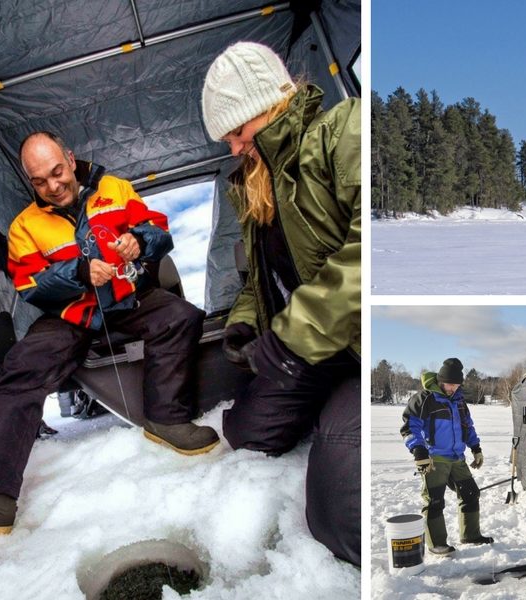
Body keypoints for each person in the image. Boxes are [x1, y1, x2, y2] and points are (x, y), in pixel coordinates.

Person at [0, 131, 217, 539]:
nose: (53, 186)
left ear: (71, 160)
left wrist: (139, 241)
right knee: (22, 364)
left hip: (129, 300)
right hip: (71, 315)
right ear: (30, 181)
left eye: (57, 172)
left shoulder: (116, 189)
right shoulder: (24, 227)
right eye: (39, 181)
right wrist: (77, 273)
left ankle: (167, 420)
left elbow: (161, 233)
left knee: (181, 316)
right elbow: (30, 287)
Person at [199, 41, 360, 566]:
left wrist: (294, 334)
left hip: (361, 352)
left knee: (339, 516)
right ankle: (328, 412)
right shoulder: (254, 185)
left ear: (265, 107)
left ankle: (345, 425)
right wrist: (247, 322)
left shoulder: (344, 133)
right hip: (310, 355)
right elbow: (258, 280)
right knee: (245, 432)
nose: (233, 149)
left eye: (236, 134)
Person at [401, 358, 493, 556]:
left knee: (470, 493)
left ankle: (471, 535)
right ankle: (437, 543)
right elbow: (409, 427)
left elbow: (467, 426)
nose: (452, 388)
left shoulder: (459, 402)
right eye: (450, 384)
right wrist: (419, 451)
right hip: (434, 458)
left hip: (457, 457)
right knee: (434, 500)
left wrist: (476, 448)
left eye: (456, 384)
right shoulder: (425, 398)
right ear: (441, 380)